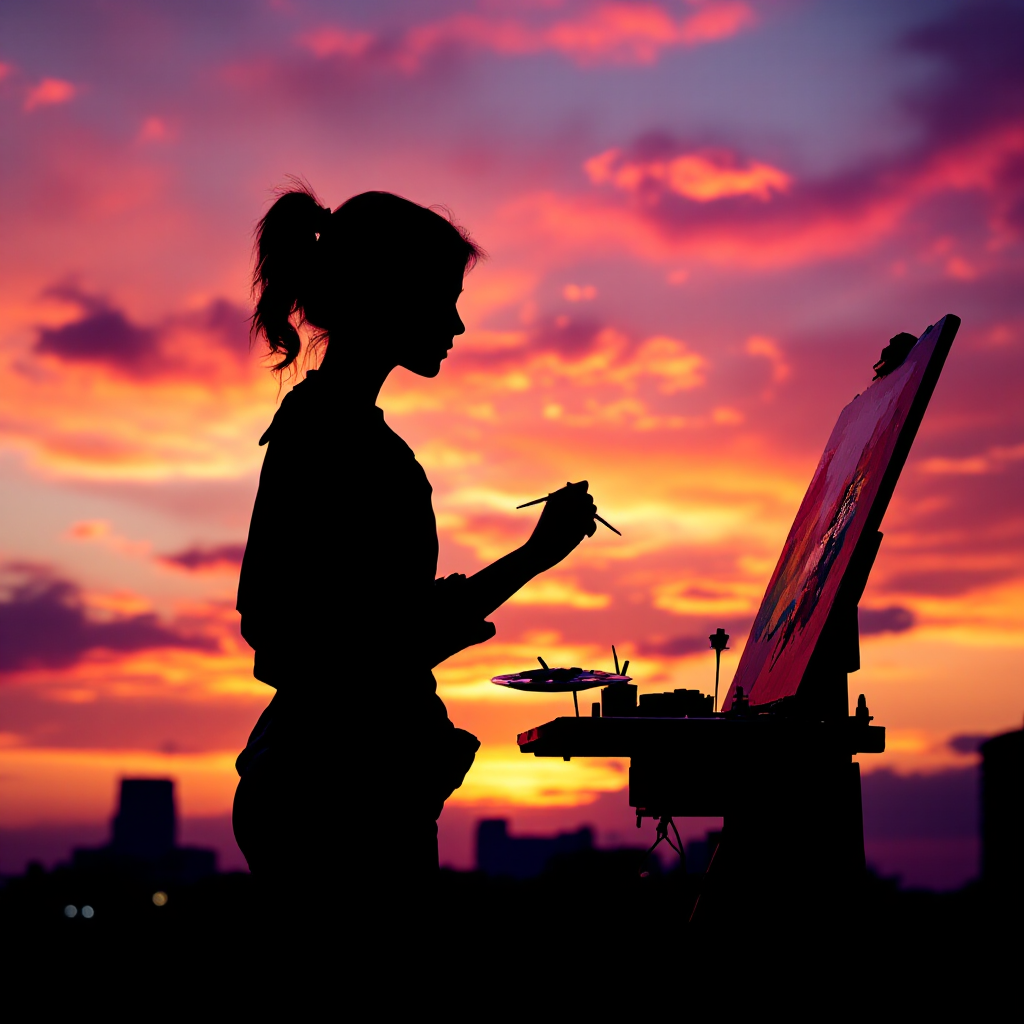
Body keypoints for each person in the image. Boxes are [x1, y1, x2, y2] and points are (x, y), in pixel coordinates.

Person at [232, 185, 604, 921]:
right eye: (444, 296)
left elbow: (355, 626)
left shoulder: (329, 429)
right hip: (339, 807)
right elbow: (292, 640)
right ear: (388, 295)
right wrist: (527, 562)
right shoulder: (336, 439)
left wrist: (527, 560)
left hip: (326, 792)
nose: (459, 324)